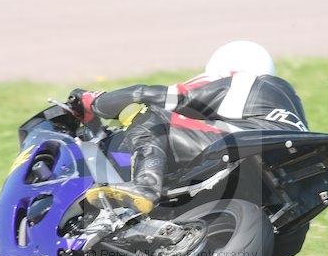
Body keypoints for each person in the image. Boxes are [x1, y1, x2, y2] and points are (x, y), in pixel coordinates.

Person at [68, 40, 309, 215]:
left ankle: (145, 185)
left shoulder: (243, 81)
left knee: (149, 113)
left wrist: (95, 102)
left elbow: (166, 97)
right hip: (283, 198)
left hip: (243, 145)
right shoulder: (291, 106)